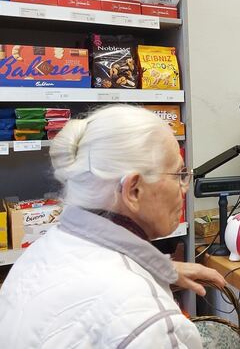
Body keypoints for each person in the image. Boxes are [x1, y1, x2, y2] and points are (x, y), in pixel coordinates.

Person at [0, 105, 226, 348]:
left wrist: (153, 269)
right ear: (134, 191)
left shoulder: (41, 252)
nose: (184, 187)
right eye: (179, 174)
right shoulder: (148, 322)